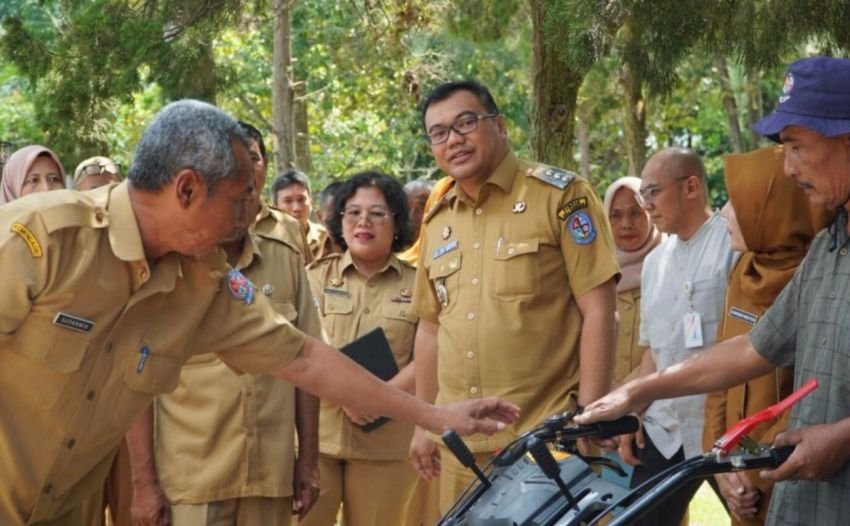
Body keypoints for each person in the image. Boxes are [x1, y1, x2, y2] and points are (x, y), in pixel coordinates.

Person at [0, 99, 519, 526]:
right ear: (186, 189)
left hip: (64, 508)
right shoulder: (41, 241)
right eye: (241, 196)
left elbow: (305, 359)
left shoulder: (204, 284)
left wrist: (437, 416)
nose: (250, 211)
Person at [577, 56, 850, 526]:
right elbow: (750, 349)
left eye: (796, 147)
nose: (787, 168)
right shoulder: (828, 248)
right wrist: (637, 392)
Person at [408, 80, 620, 511]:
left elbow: (600, 311)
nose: (454, 140)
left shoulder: (560, 196)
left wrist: (588, 419)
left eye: (466, 123)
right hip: (461, 446)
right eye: (439, 132)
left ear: (500, 126)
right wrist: (424, 425)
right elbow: (430, 328)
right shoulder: (437, 217)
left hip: (546, 438)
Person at [127, 122, 324, 526]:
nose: (244, 190)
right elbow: (135, 383)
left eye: (251, 168)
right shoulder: (167, 262)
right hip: (192, 478)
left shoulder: (285, 250)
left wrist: (309, 459)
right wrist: (144, 482)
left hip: (270, 474)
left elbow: (310, 363)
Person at [703, 146, 826, 525]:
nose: (723, 213)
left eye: (737, 202)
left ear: (770, 211)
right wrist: (718, 456)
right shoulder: (742, 270)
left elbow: (813, 392)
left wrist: (750, 470)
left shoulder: (818, 278)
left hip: (786, 477)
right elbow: (721, 370)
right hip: (736, 475)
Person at [616, 147, 734, 526]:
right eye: (643, 195)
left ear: (692, 186)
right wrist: (635, 405)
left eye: (653, 192)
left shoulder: (732, 245)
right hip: (665, 427)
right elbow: (653, 350)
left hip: (724, 424)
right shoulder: (654, 263)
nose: (646, 205)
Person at [301, 171, 421, 526]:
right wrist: (347, 396)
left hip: (386, 445)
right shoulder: (316, 277)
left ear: (397, 222)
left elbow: (428, 355)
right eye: (353, 213)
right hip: (317, 440)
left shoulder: (419, 284)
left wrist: (374, 398)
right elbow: (304, 347)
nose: (363, 222)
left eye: (377, 213)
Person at [602, 176, 664, 385]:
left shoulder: (671, 265)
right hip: (599, 399)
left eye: (636, 213)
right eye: (616, 216)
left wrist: (628, 393)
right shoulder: (595, 275)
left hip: (659, 399)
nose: (626, 225)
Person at [239, 121, 312, 262]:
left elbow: (309, 281)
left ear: (265, 164)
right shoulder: (204, 227)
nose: (246, 168)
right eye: (235, 160)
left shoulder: (291, 228)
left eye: (253, 159)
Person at [272, 169, 328, 260]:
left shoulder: (326, 238)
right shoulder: (268, 242)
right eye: (288, 201)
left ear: (311, 200)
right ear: (275, 207)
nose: (296, 208)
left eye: (301, 199)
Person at [0, 144, 65, 204]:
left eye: (53, 179)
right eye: (33, 180)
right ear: (12, 188)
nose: (46, 189)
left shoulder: (72, 215)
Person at [315, 181, 343, 256]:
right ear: (320, 217)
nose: (342, 221)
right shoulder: (311, 253)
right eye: (334, 215)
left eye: (350, 213)